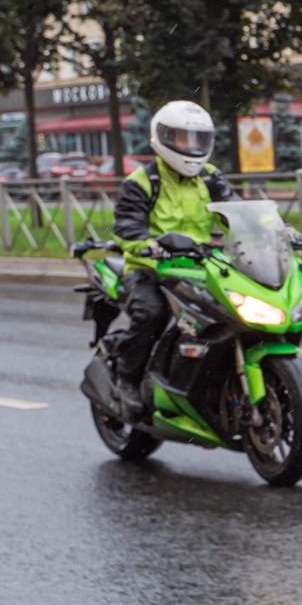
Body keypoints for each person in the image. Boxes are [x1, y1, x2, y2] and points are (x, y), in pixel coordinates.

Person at [109, 100, 231, 416]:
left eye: (198, 139)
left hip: (200, 267)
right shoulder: (143, 180)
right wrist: (149, 244)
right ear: (162, 137)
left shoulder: (211, 177)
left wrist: (275, 230)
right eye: (182, 138)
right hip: (150, 267)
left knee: (229, 314)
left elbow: (234, 212)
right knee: (152, 314)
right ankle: (126, 378)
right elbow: (126, 225)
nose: (191, 147)